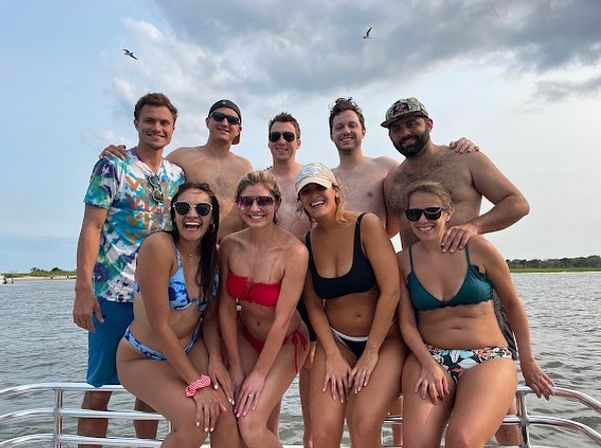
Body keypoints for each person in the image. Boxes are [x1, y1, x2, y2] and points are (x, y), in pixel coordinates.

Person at [382, 97, 530, 445]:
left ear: (429, 124)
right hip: (420, 298)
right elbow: (384, 229)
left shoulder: (464, 157)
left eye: (412, 123)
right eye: (397, 127)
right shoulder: (393, 180)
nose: (405, 132)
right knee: (422, 402)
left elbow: (517, 203)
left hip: (475, 290)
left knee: (504, 413)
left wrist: (475, 227)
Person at [397, 180, 554, 447]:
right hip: (431, 357)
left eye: (432, 212)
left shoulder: (479, 249)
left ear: (448, 213)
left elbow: (513, 306)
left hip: (488, 356)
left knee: (463, 440)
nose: (423, 220)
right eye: (414, 214)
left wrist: (527, 361)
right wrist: (427, 363)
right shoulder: (402, 262)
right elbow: (407, 323)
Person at [73, 93, 185, 446]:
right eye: (150, 120)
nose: (157, 127)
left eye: (164, 122)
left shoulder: (177, 175)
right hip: (112, 295)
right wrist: (82, 289)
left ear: (173, 129)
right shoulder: (113, 166)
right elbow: (91, 226)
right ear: (136, 123)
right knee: (100, 389)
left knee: (150, 392)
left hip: (157, 300)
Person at [116, 182, 240, 448]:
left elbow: (210, 318)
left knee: (226, 414)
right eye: (183, 208)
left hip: (190, 346)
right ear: (173, 214)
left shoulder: (213, 256)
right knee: (195, 422)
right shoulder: (159, 247)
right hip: (142, 356)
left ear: (212, 217)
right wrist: (197, 384)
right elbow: (160, 327)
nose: (192, 214)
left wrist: (216, 359)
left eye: (202, 209)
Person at [297, 162, 405, 448]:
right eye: (305, 192)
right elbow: (313, 304)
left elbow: (391, 291)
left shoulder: (366, 225)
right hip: (339, 341)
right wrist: (331, 353)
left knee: (364, 424)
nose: (313, 196)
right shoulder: (306, 242)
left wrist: (371, 352)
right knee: (322, 436)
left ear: (334, 190)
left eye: (318, 188)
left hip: (384, 340)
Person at [218, 170, 310, 448]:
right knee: (231, 414)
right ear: (238, 203)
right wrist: (234, 366)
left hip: (286, 341)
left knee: (250, 422)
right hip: (245, 336)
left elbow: (282, 320)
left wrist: (258, 375)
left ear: (277, 203)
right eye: (247, 201)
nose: (255, 209)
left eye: (264, 201)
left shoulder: (294, 252)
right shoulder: (230, 246)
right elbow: (224, 307)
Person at [100, 99, 252, 241]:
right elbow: (149, 169)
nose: (225, 122)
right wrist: (121, 154)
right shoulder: (183, 157)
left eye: (232, 120)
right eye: (219, 117)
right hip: (194, 248)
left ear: (239, 129)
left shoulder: (245, 167)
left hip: (231, 249)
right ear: (207, 122)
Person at [264, 112, 314, 447]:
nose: (282, 141)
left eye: (288, 136)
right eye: (276, 136)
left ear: (299, 141)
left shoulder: (311, 179)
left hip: (312, 289)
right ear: (269, 141)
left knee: (311, 375)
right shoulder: (259, 180)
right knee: (270, 380)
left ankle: (311, 441)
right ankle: (269, 439)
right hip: (269, 290)